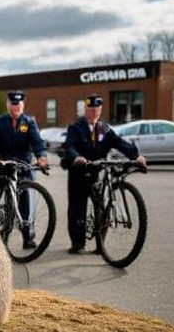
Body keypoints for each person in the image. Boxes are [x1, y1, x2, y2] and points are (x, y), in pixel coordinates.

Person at [62, 94, 146, 254]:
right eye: (91, 109)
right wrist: (76, 157)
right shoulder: (75, 127)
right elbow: (69, 146)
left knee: (101, 206)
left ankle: (100, 244)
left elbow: (119, 143)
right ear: (86, 110)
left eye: (97, 109)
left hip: (97, 171)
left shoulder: (104, 128)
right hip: (79, 171)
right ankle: (77, 243)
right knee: (77, 207)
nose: (94, 112)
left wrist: (136, 156)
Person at [0, 90, 48, 250]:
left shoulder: (29, 122)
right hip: (0, 163)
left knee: (25, 194)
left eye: (18, 105)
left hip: (21, 167)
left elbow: (37, 142)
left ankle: (28, 237)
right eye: (12, 105)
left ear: (22, 105)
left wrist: (41, 157)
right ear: (8, 105)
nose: (15, 108)